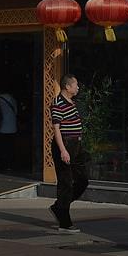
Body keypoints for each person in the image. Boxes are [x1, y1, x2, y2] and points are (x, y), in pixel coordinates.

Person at [50, 74, 87, 233]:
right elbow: (56, 129)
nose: (77, 88)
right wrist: (63, 150)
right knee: (65, 183)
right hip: (64, 144)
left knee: (82, 181)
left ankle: (59, 206)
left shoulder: (73, 102)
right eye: (75, 85)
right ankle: (64, 222)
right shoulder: (57, 103)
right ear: (67, 86)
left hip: (76, 145)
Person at [0, 87, 18, 172]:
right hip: (12, 127)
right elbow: (16, 111)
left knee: (1, 148)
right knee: (9, 148)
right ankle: (9, 165)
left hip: (1, 127)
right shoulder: (12, 99)